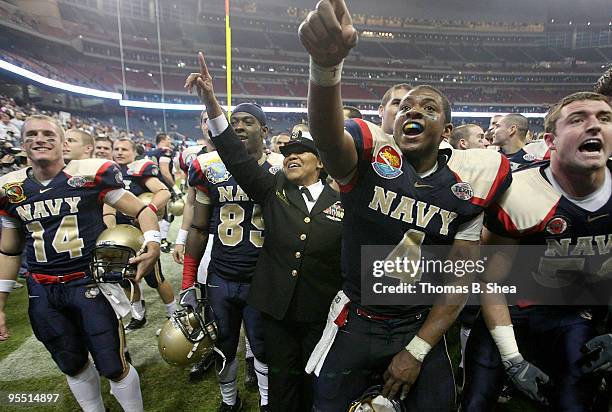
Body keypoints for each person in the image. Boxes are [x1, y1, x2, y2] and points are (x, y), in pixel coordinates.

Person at [298, 1, 512, 410]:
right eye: (405, 106)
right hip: (356, 320)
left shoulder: (468, 186)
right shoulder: (367, 160)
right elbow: (327, 138)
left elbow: (459, 280)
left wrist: (415, 351)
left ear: (447, 131)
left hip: (418, 323)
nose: (414, 110)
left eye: (428, 108)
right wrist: (324, 70)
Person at [186, 51, 344, 411]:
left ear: (320, 161)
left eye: (300, 152)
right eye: (287, 151)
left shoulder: (342, 199)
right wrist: (212, 104)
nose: (290, 155)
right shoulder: (272, 187)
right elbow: (233, 154)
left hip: (321, 309)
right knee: (282, 381)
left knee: (318, 382)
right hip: (276, 309)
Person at [463, 91, 612, 411]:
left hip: (575, 315)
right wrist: (513, 359)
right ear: (550, 140)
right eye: (577, 119)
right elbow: (490, 282)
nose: (594, 127)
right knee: (476, 403)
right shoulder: (521, 191)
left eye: (604, 118)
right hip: (513, 310)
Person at [0, 115, 160, 411]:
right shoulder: (10, 188)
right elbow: (9, 252)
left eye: (48, 134)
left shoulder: (89, 175)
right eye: (32, 134)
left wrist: (153, 242)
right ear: (23, 144)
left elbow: (142, 209)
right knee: (71, 364)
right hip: (43, 289)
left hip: (88, 282)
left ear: (62, 143)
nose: (40, 139)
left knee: (112, 364)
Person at [180, 100, 284, 411]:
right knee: (222, 344)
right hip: (222, 274)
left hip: (262, 276)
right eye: (233, 121)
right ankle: (229, 401)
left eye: (247, 122)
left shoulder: (281, 166)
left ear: (264, 130)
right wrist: (188, 280)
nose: (238, 126)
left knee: (263, 345)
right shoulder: (207, 166)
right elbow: (198, 227)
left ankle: (267, 400)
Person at [106, 137, 176, 332]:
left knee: (155, 278)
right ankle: (138, 315)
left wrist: (148, 210)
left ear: (134, 152)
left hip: (140, 234)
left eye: (124, 149)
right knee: (126, 277)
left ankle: (173, 314)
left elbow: (164, 192)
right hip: (119, 236)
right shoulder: (106, 173)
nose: (119, 152)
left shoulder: (137, 170)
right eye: (116, 148)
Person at [147, 133, 179, 252]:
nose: (170, 141)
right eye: (168, 139)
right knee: (166, 214)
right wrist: (175, 187)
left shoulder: (149, 153)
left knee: (153, 215)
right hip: (161, 187)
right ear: (162, 140)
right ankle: (163, 241)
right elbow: (165, 172)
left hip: (148, 187)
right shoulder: (165, 151)